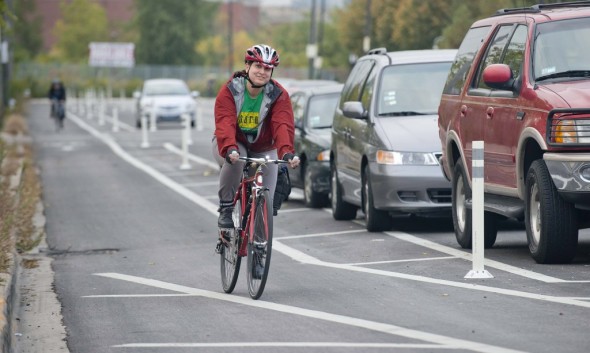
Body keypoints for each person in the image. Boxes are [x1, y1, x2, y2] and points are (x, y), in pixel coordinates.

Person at [212, 44, 300, 228]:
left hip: (264, 147)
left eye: (267, 68)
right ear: (247, 66)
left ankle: (259, 240)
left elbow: (282, 125)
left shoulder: (278, 95)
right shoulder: (230, 90)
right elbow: (225, 122)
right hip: (233, 142)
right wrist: (230, 148)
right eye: (258, 66)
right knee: (237, 162)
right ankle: (226, 208)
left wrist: (287, 153)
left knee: (268, 191)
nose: (262, 71)